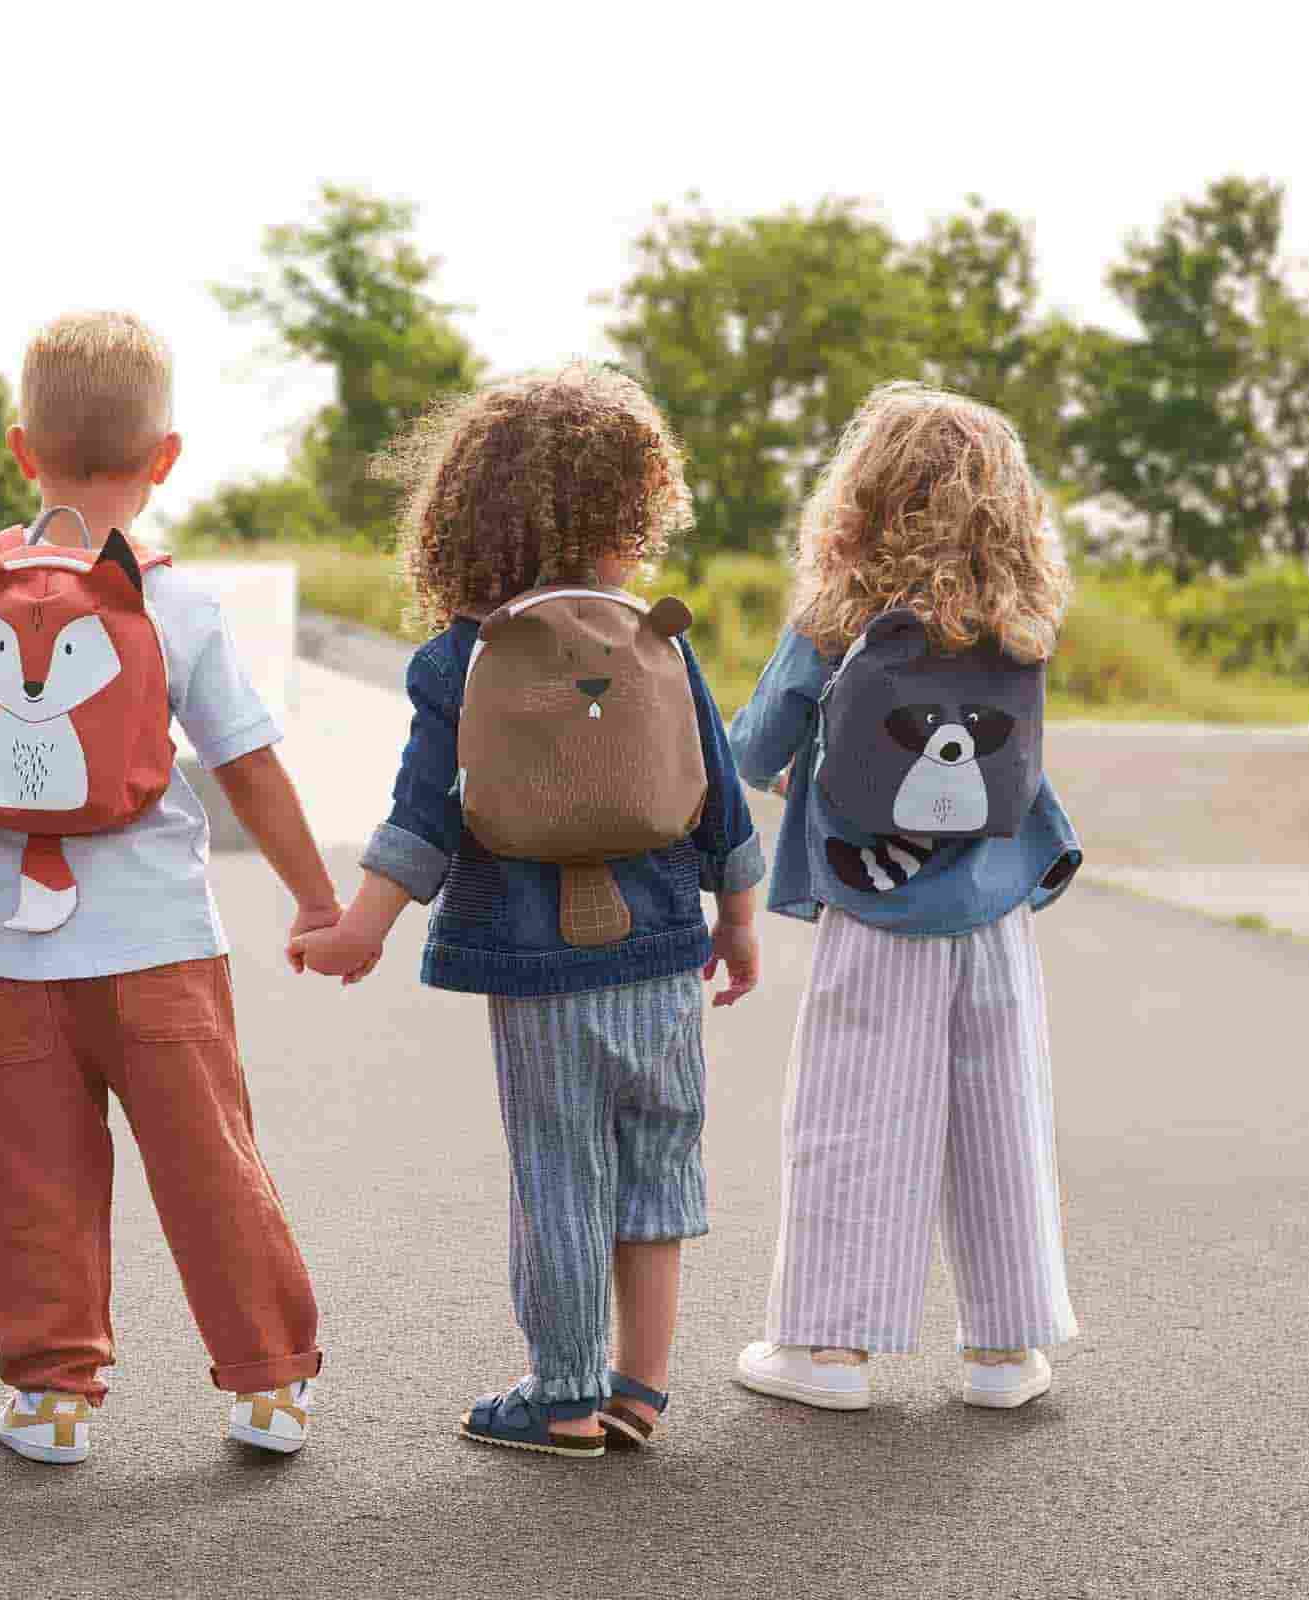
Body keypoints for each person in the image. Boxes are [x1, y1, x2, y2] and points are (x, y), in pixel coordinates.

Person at [0, 310, 331, 1464]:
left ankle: (51, 1393)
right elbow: (247, 764)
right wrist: (318, 899)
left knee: (29, 1178)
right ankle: (269, 1381)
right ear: (165, 458)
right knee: (211, 1164)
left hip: (7, 961)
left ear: (23, 449)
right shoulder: (172, 604)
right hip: (164, 946)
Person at [292, 366, 764, 1454]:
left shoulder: (465, 656)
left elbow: (423, 817)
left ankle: (561, 1395)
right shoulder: (659, 637)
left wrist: (360, 928)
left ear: (466, 516)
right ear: (634, 510)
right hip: (663, 961)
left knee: (562, 1175)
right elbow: (722, 803)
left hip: (538, 970)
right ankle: (641, 1389)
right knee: (657, 1164)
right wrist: (736, 927)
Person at [727, 380, 1080, 1413]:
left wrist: (817, 769)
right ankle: (1005, 1353)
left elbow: (757, 748)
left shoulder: (840, 615)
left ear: (863, 496)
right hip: (993, 910)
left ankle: (830, 1350)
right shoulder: (1020, 625)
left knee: (853, 1116)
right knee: (1000, 1117)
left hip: (874, 907)